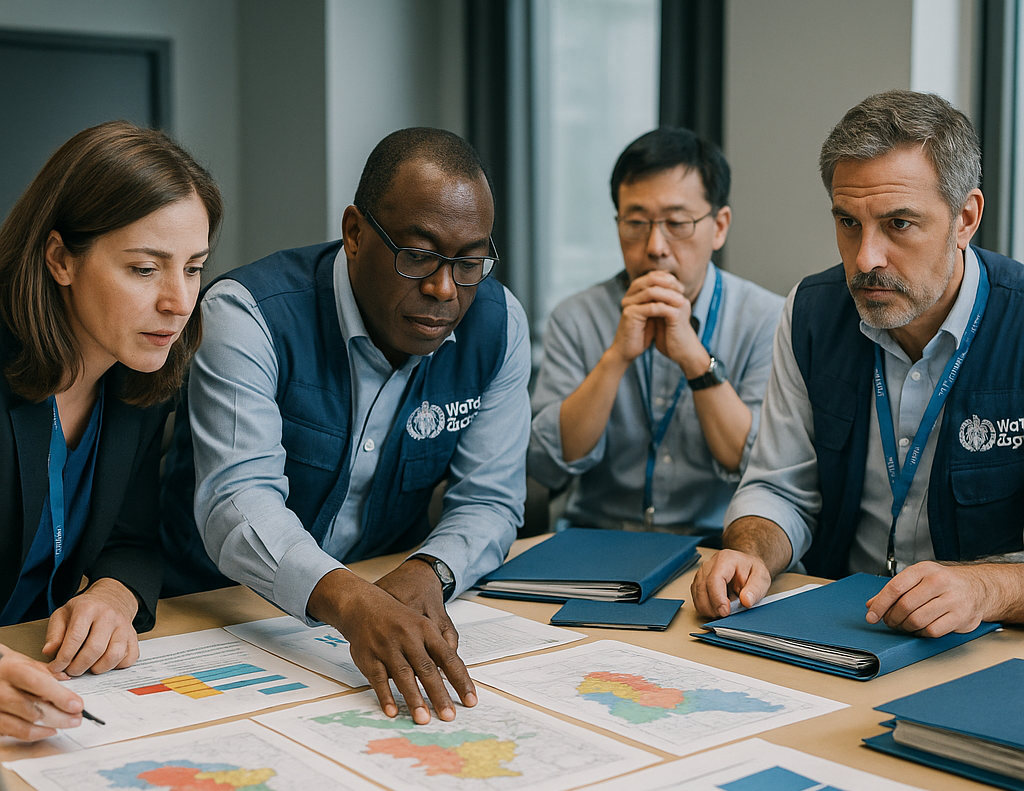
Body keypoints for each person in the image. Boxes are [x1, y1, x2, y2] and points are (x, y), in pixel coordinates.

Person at [161, 127, 531, 727]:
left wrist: (429, 570)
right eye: (418, 255)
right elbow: (237, 500)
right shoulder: (246, 312)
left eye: (469, 262)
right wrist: (352, 601)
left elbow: (489, 499)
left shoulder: (498, 325)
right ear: (355, 234)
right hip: (211, 615)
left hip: (378, 616)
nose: (444, 288)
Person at [692, 90, 1024, 638]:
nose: (866, 259)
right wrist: (751, 552)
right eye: (848, 223)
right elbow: (779, 489)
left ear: (965, 218)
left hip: (986, 644)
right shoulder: (812, 312)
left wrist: (985, 588)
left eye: (898, 224)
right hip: (841, 627)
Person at [0, 120, 222, 741]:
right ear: (59, 259)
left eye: (194, 268)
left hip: (41, 679)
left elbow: (131, 537)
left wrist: (115, 595)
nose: (179, 301)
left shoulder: (137, 376)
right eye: (146, 269)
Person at [528, 127, 783, 537]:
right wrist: (615, 358)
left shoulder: (767, 318)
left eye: (677, 223)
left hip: (718, 546)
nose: (655, 246)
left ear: (719, 226)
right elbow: (545, 463)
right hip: (597, 540)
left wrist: (694, 359)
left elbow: (759, 464)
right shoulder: (576, 317)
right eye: (635, 223)